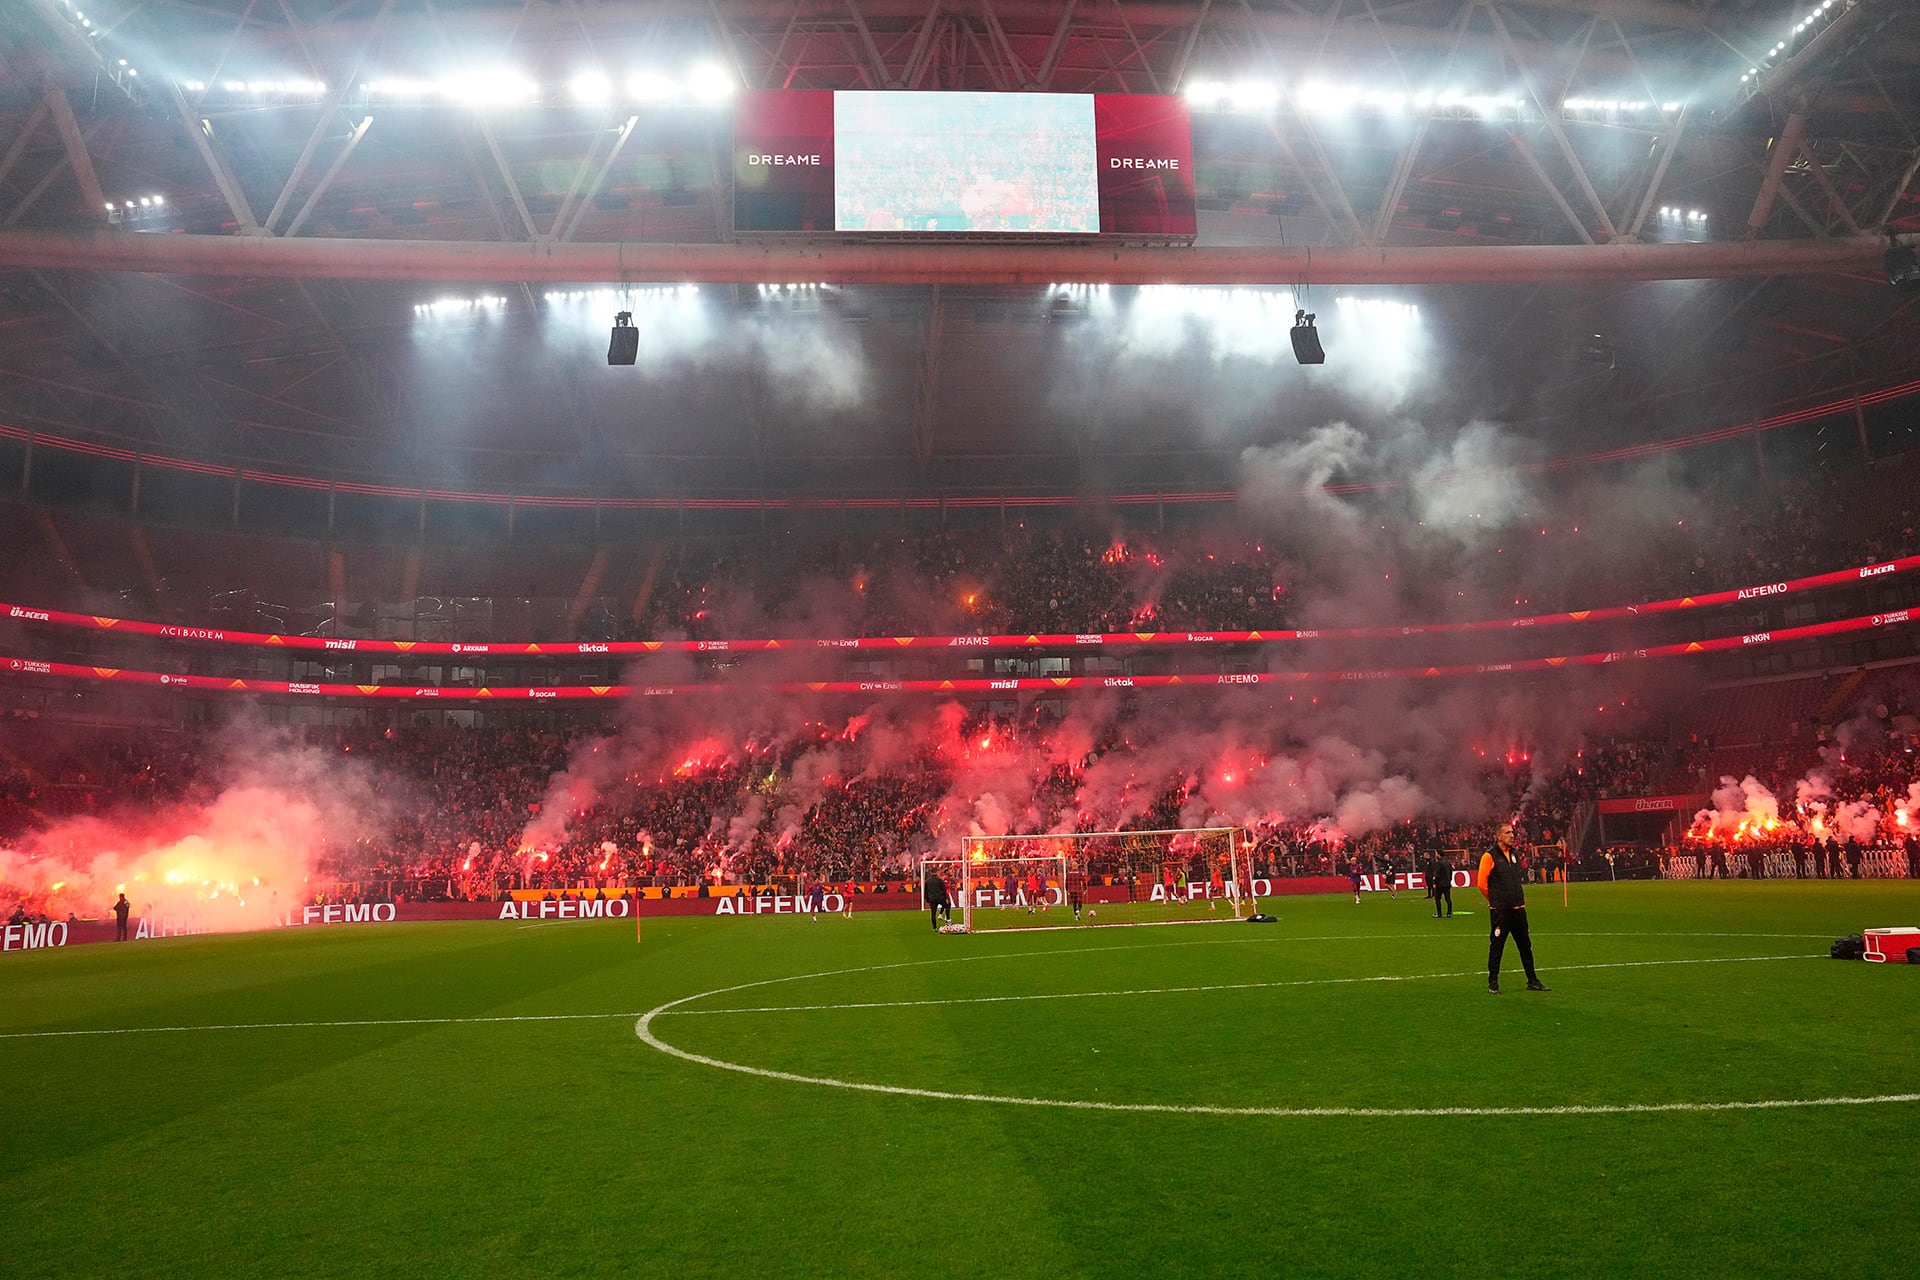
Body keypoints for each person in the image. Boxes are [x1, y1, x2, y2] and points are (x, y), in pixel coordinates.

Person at [1478, 823, 1548, 994]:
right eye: (1507, 832)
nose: (1512, 835)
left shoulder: (1515, 854)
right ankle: (1493, 982)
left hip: (1518, 909)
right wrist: (1496, 901)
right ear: (1498, 836)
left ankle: (1532, 980)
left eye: (1512, 832)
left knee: (1525, 946)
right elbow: (1481, 884)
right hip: (1501, 911)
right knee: (1497, 946)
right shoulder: (1489, 856)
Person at [1426, 852, 1452, 919]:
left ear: (1439, 855)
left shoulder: (1439, 863)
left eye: (1437, 854)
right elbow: (1450, 872)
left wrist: (1435, 882)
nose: (1436, 855)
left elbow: (1437, 873)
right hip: (1447, 883)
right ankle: (1449, 913)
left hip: (1440, 884)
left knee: (1437, 899)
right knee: (1448, 899)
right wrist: (1449, 880)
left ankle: (1439, 914)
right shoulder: (1448, 862)